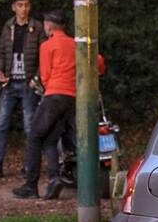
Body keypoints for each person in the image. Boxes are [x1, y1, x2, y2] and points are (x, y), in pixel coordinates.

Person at [13, 11, 104, 200]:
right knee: (50, 141)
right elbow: (100, 64)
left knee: (34, 136)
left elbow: (45, 76)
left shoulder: (47, 46)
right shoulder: (76, 44)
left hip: (54, 95)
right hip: (74, 99)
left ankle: (31, 185)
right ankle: (54, 178)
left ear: (48, 26)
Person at [0, 0, 46, 179]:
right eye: (20, 5)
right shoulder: (8, 27)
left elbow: (44, 56)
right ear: (13, 7)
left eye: (26, 5)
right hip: (10, 83)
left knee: (29, 126)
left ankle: (29, 167)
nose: (23, 9)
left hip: (28, 83)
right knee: (1, 125)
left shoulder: (37, 27)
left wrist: (36, 78)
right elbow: (2, 53)